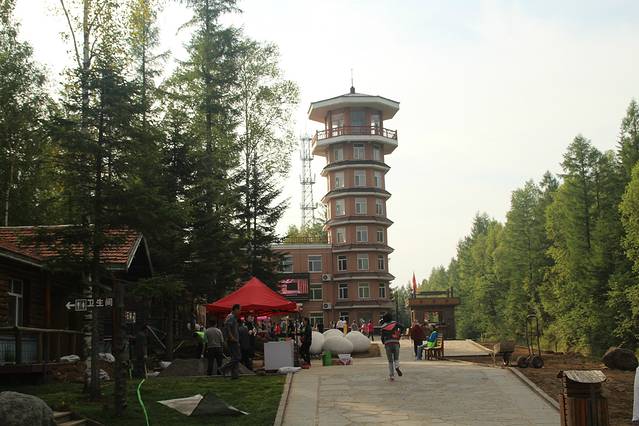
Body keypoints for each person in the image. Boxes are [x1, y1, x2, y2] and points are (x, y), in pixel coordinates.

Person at [380, 313, 404, 381]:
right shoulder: (395, 323)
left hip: (388, 343)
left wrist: (384, 342)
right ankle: (397, 367)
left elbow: (382, 337)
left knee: (390, 361)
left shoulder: (383, 327)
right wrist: (399, 334)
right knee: (396, 358)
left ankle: (392, 376)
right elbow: (402, 327)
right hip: (396, 342)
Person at [222, 304, 241, 379]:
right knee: (237, 357)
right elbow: (228, 327)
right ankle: (224, 368)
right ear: (235, 309)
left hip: (234, 340)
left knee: (234, 357)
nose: (240, 311)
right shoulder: (231, 317)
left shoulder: (232, 317)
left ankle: (235, 375)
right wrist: (231, 337)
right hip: (233, 340)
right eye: (239, 310)